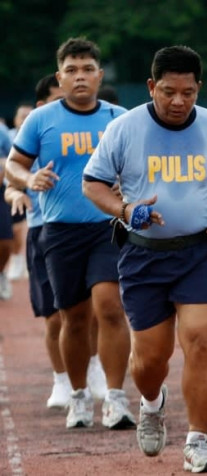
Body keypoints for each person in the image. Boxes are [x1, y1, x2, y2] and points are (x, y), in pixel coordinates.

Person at [83, 45, 207, 473]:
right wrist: (125, 210)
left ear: (199, 89)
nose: (179, 102)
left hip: (200, 251)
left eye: (189, 93)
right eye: (169, 92)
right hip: (143, 256)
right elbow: (93, 184)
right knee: (149, 360)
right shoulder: (125, 129)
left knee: (200, 340)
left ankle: (198, 441)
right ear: (151, 86)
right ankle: (152, 402)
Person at [5, 37, 134, 430]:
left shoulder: (119, 117)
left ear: (99, 75)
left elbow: (141, 164)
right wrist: (30, 177)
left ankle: (114, 397)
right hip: (60, 231)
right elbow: (13, 165)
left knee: (110, 307)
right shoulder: (41, 120)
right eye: (72, 71)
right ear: (60, 77)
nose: (80, 77)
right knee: (72, 318)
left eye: (87, 70)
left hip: (108, 227)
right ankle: (78, 394)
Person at [3, 73, 108, 408]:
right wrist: (17, 192)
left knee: (95, 310)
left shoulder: (98, 122)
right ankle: (61, 379)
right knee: (55, 316)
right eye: (53, 97)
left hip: (91, 227)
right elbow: (11, 179)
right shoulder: (36, 131)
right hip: (43, 230)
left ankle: (93, 369)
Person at [6, 102, 34, 281]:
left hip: (31, 186)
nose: (24, 119)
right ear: (15, 119)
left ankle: (19, 260)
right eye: (21, 116)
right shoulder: (8, 136)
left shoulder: (36, 134)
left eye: (27, 116)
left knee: (19, 227)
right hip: (10, 187)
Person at [0, 124, 13, 299]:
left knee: (5, 239)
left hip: (1, 189)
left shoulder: (2, 131)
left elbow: (14, 158)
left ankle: (1, 272)